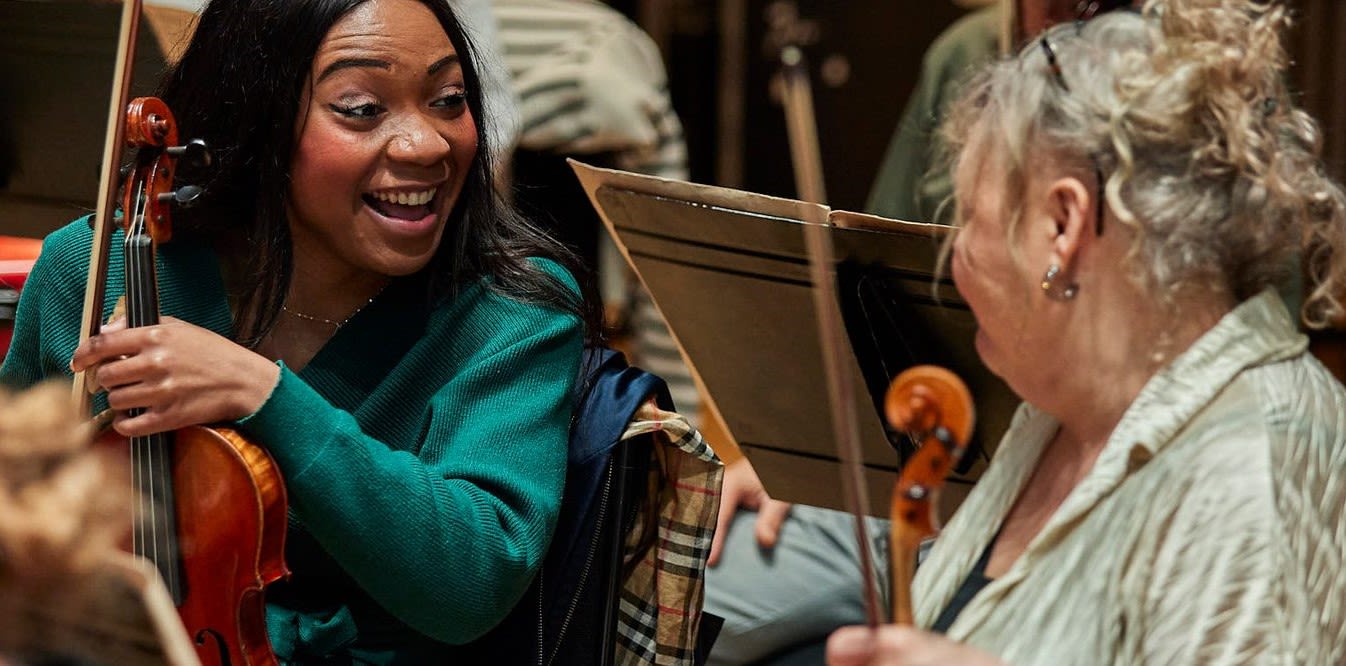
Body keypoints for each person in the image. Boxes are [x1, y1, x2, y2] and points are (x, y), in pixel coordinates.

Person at [1, 0, 602, 661]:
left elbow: (470, 585)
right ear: (256, 122)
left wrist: (263, 393)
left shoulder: (511, 309)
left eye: (449, 99)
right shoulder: (92, 272)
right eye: (362, 109)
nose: (427, 143)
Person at [827, 0, 1346, 663]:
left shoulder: (1249, 471)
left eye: (970, 219)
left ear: (1064, 226)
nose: (952, 264)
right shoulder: (1057, 416)